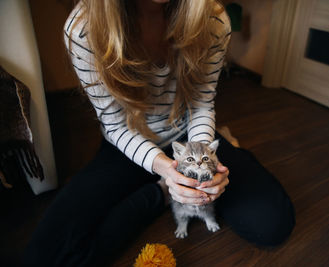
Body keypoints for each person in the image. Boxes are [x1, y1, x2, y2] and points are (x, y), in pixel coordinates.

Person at [23, 0, 295, 265]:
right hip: (127, 143)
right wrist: (166, 176)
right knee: (46, 255)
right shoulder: (84, 28)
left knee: (272, 225)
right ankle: (163, 193)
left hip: (188, 140)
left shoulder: (213, 20)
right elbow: (115, 125)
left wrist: (202, 162)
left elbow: (201, 103)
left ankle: (223, 147)